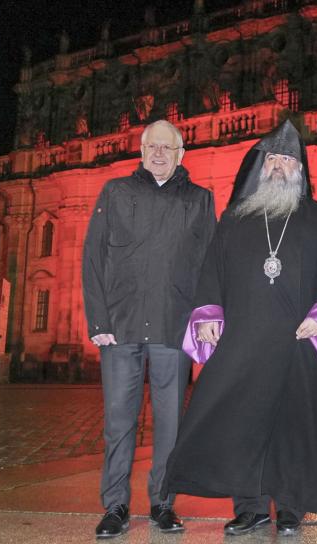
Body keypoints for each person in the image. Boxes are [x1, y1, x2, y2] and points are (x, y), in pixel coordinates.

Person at [162, 120, 317, 537]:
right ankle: (249, 506)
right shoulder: (235, 218)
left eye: (288, 159)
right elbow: (211, 270)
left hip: (299, 343)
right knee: (240, 420)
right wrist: (209, 314)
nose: (280, 166)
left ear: (300, 169)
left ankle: (290, 504)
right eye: (274, 159)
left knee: (293, 423)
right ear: (261, 167)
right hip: (243, 340)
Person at [82, 120, 216, 539]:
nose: (159, 153)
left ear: (181, 153)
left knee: (170, 422)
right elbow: (92, 257)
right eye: (151, 146)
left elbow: (210, 264)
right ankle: (116, 504)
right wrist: (98, 321)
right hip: (119, 327)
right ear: (140, 151)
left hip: (172, 325)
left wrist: (207, 315)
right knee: (119, 422)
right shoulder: (115, 192)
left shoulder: (199, 199)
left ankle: (162, 501)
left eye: (167, 147)